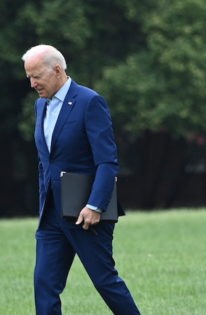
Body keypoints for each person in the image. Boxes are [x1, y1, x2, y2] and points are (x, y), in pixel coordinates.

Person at [22, 44, 141, 315]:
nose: (32, 83)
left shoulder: (89, 102)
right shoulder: (40, 106)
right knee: (44, 284)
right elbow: (47, 161)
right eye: (29, 77)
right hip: (51, 214)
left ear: (57, 70)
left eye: (36, 76)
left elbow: (107, 161)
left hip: (86, 212)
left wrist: (96, 205)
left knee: (105, 281)